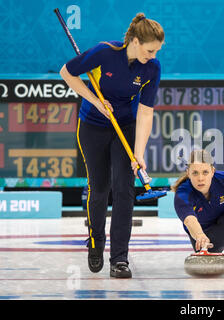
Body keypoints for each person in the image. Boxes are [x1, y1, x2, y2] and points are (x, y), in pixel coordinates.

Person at [59, 13, 164, 278]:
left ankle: (120, 258)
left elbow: (146, 112)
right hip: (93, 125)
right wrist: (95, 100)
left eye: (156, 51)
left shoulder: (151, 68)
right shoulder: (104, 53)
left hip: (125, 126)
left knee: (124, 189)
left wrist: (138, 152)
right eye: (150, 50)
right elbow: (67, 73)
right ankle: (95, 242)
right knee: (100, 187)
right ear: (136, 41)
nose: (153, 55)